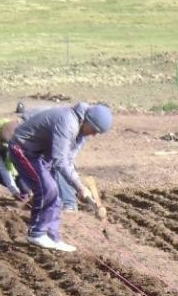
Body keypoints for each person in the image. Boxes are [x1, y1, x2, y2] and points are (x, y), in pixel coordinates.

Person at [8, 101, 112, 252]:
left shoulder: (81, 133)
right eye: (95, 130)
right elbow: (60, 160)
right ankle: (36, 233)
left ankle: (52, 237)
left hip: (40, 154)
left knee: (56, 196)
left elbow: (69, 160)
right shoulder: (67, 122)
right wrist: (79, 186)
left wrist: (79, 188)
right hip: (23, 149)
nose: (94, 134)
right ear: (88, 120)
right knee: (47, 189)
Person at [0, 116, 31, 205]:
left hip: (23, 175)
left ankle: (26, 193)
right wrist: (14, 190)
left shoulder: (21, 142)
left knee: (25, 189)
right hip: (11, 175)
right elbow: (3, 169)